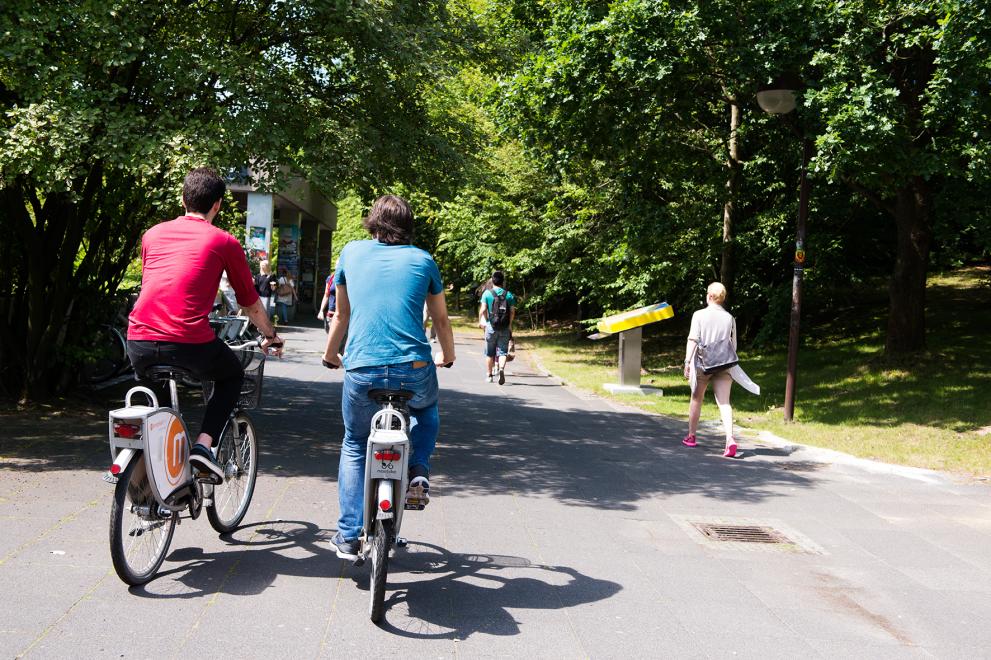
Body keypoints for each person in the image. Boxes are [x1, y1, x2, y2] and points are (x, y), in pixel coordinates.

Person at [321, 194, 456, 560]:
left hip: (362, 368)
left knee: (354, 442)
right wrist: (449, 355)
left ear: (373, 223)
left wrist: (331, 355)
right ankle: (418, 471)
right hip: (413, 369)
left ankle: (348, 535)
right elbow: (441, 320)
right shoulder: (423, 260)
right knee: (427, 413)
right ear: (409, 226)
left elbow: (341, 316)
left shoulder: (351, 253)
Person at [127, 167, 283, 479]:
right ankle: (204, 447)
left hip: (138, 339)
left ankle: (150, 476)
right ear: (217, 205)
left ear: (182, 198)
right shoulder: (223, 242)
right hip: (187, 342)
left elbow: (156, 286)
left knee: (153, 402)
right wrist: (271, 336)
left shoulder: (152, 234)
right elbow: (250, 303)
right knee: (231, 375)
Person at [681, 282, 759, 458]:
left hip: (703, 364)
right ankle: (730, 438)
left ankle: (691, 436)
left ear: (709, 296)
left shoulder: (699, 315)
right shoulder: (729, 318)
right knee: (724, 402)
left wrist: (687, 362)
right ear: (722, 299)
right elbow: (733, 344)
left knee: (696, 398)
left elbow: (693, 339)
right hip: (724, 364)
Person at [478, 270, 516, 385]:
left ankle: (489, 375)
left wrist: (481, 320)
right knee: (503, 352)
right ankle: (501, 369)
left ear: (492, 280)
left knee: (489, 353)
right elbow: (512, 311)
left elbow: (483, 309)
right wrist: (509, 324)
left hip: (491, 326)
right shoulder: (509, 295)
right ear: (502, 281)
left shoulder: (487, 294)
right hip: (504, 327)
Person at [317, 259, 340, 333]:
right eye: (337, 265)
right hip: (331, 313)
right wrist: (321, 311)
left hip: (342, 313)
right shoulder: (330, 278)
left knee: (340, 339)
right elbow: (326, 295)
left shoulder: (348, 279)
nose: (338, 267)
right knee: (331, 334)